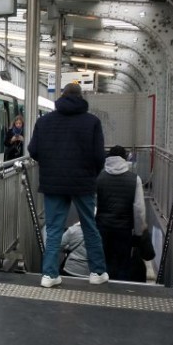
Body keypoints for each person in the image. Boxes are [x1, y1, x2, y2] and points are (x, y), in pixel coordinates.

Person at [28, 82, 108, 288]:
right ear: (81, 98)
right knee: (89, 226)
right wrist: (91, 174)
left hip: (53, 183)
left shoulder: (44, 122)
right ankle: (97, 272)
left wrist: (51, 166)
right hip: (83, 182)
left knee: (54, 229)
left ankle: (49, 275)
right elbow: (99, 156)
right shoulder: (92, 122)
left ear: (62, 96)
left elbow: (33, 150)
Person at [96, 145, 147, 281]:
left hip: (103, 227)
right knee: (123, 264)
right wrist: (138, 233)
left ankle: (102, 292)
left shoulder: (99, 178)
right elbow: (139, 209)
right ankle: (120, 291)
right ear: (125, 158)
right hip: (124, 229)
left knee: (103, 261)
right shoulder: (135, 179)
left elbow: (94, 204)